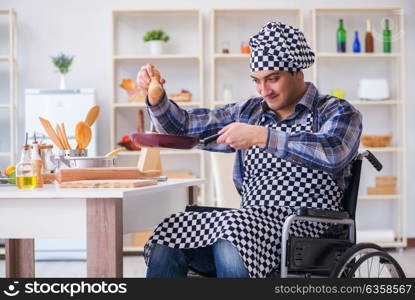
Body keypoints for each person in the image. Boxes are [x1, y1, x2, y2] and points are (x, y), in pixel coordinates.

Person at [137, 21, 362, 278]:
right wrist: (156, 99)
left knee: (233, 231)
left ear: (298, 72)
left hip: (307, 232)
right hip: (250, 224)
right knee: (173, 230)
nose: (264, 90)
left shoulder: (336, 111)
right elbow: (185, 128)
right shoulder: (250, 112)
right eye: (256, 81)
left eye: (273, 79)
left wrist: (263, 136)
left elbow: (334, 152)